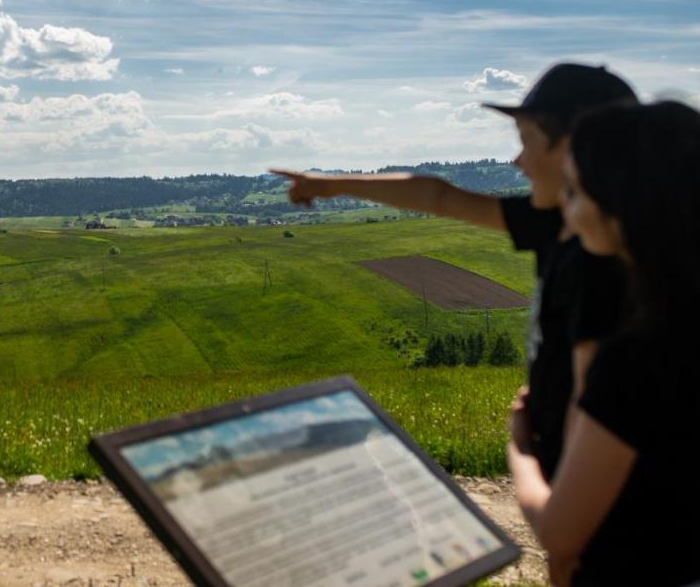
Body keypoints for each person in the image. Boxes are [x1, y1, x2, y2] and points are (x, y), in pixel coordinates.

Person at [272, 63, 636, 480]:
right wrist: (328, 184)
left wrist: (521, 452)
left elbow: (599, 403)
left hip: (586, 489)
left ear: (578, 149)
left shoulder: (604, 266)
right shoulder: (558, 222)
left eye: (527, 142)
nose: (517, 161)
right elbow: (437, 195)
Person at [507, 100, 700, 585]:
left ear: (619, 207)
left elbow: (558, 533)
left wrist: (521, 449)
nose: (565, 216)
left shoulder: (638, 356)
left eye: (573, 192)